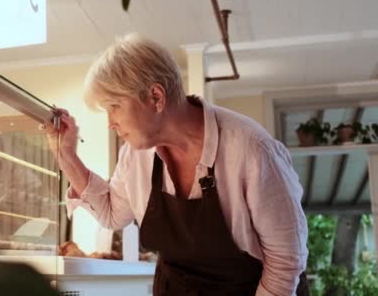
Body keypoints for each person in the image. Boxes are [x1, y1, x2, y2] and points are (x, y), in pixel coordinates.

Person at [46, 34, 309, 295]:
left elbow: (286, 260)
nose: (110, 122)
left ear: (156, 96)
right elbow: (112, 213)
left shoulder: (252, 150)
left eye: (114, 106)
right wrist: (66, 155)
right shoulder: (135, 156)